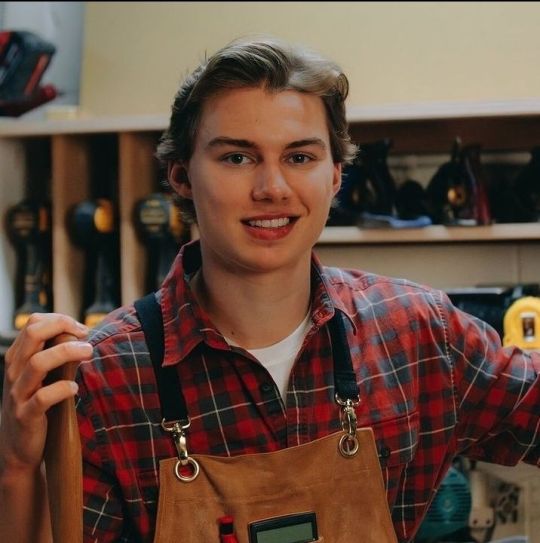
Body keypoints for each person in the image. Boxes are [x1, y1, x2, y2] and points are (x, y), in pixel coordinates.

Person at [0, 36, 539, 543]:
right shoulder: (104, 378)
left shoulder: (416, 333)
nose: (273, 189)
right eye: (237, 157)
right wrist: (14, 468)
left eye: (300, 157)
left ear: (335, 176)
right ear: (181, 176)